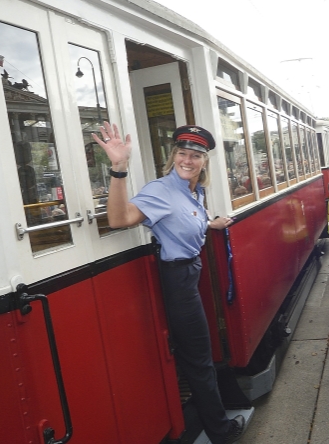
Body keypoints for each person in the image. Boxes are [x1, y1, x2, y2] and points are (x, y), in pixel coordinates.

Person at [92, 122, 245, 444]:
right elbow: (118, 219)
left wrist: (210, 223)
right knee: (199, 358)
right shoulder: (161, 190)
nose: (188, 160)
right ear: (173, 156)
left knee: (199, 353)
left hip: (190, 273)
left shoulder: (194, 190)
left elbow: (188, 219)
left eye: (195, 156)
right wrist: (119, 169)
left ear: (204, 161)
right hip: (178, 279)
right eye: (182, 154)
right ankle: (221, 432)